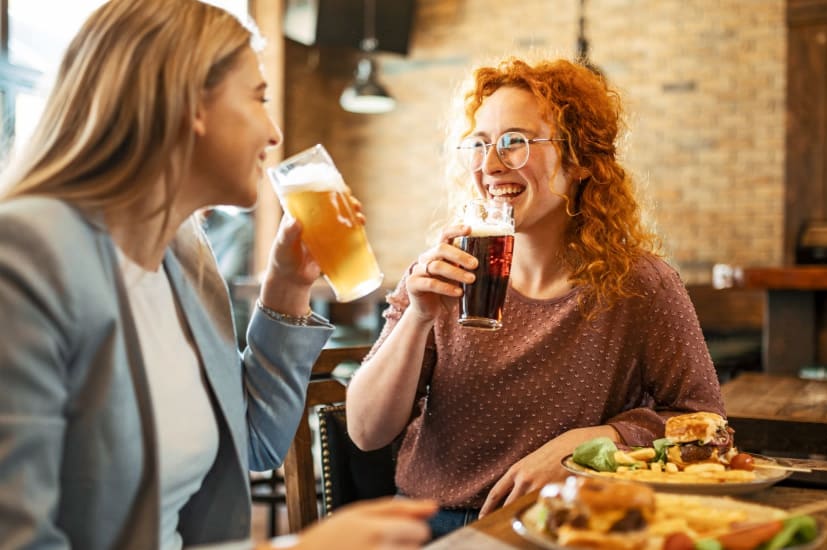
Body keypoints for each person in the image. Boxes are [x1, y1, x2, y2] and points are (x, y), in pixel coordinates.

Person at [0, 1, 434, 549]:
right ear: (189, 105)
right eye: (258, 97)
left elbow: (255, 441)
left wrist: (287, 288)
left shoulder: (184, 251)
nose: (274, 133)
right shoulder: (25, 256)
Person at [345, 56, 725, 538]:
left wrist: (591, 446)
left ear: (582, 159)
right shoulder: (443, 269)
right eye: (480, 145)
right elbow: (365, 431)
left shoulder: (641, 285)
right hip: (429, 525)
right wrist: (417, 317)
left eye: (515, 143)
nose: (490, 165)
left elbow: (707, 423)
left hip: (564, 528)